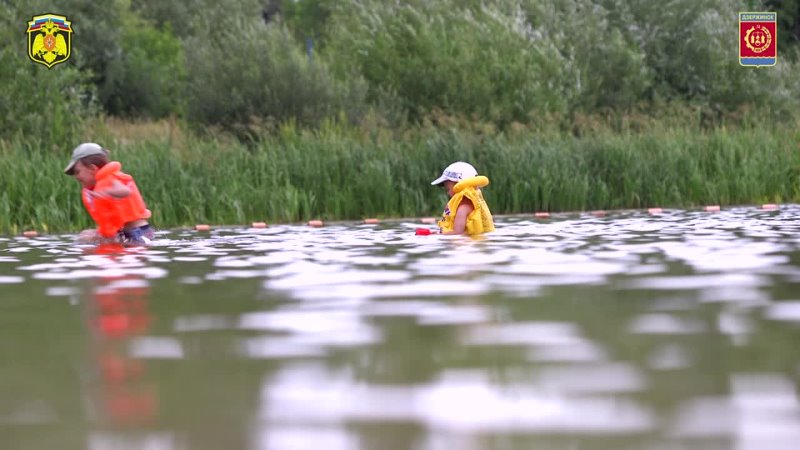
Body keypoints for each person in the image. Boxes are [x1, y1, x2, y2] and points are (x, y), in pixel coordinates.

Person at [64, 143, 154, 245]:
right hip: (128, 232)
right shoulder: (98, 186)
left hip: (138, 232)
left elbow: (125, 191)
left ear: (93, 169)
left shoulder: (110, 178)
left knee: (88, 241)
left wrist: (107, 192)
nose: (75, 177)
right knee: (86, 237)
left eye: (77, 172)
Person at [430, 161, 495, 235]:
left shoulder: (463, 209)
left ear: (459, 185)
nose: (448, 193)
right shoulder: (472, 205)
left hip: (465, 244)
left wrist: (436, 234)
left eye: (448, 189)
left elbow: (457, 233)